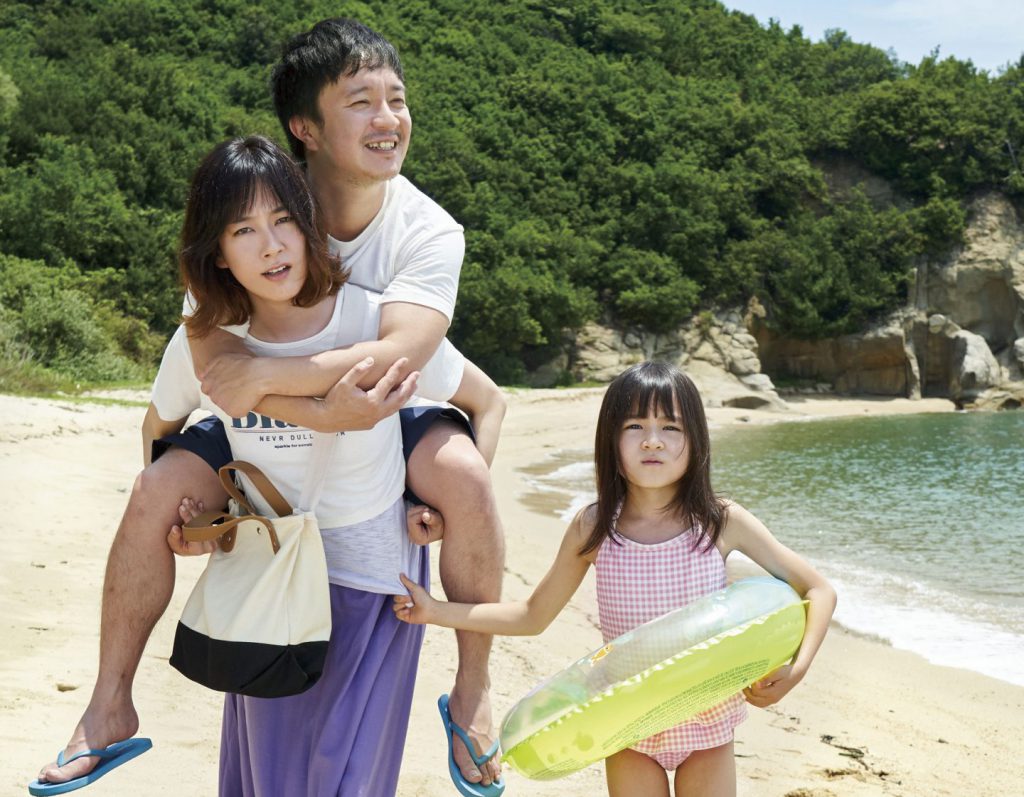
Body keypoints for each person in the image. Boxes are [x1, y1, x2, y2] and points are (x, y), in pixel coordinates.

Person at [35, 18, 504, 793]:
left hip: (384, 401)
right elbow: (210, 356)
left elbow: (403, 354)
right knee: (156, 488)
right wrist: (222, 487)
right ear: (304, 128)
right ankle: (110, 703)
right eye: (361, 101)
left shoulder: (425, 230)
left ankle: (474, 692)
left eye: (397, 98)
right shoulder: (260, 197)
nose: (388, 118)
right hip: (267, 415)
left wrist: (283, 389)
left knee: (463, 474)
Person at [393, 361, 838, 797]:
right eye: (634, 426)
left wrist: (796, 670)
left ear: (696, 440)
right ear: (611, 439)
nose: (652, 441)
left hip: (708, 722)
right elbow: (531, 616)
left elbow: (818, 590)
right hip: (626, 726)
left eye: (671, 427)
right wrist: (436, 611)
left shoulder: (719, 521)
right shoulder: (595, 528)